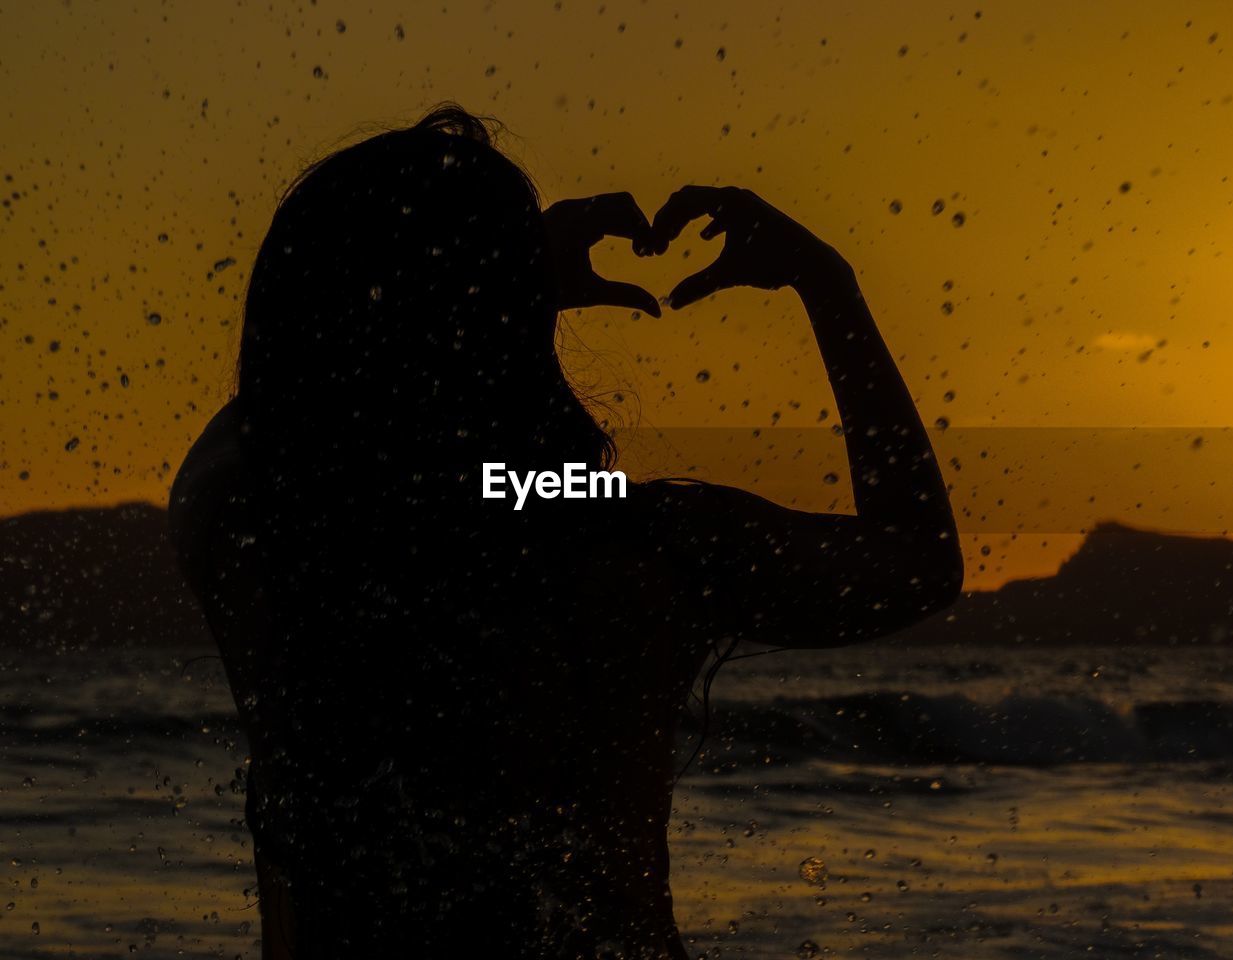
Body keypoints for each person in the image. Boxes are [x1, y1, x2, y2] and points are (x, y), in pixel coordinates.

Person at [168, 103, 963, 959]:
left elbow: (303, 409)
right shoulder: (631, 541)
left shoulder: (266, 535)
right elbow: (916, 561)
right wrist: (826, 285)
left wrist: (488, 286)